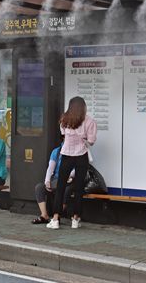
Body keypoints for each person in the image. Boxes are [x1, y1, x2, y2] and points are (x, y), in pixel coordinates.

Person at [47, 96, 97, 230]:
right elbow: (91, 141)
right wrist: (84, 138)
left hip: (67, 155)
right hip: (81, 156)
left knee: (60, 187)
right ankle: (75, 219)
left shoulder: (64, 119)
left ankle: (56, 219)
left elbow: (63, 134)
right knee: (79, 188)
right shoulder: (90, 121)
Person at [32, 143, 77, 224]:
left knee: (66, 190)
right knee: (39, 187)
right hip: (56, 179)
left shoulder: (75, 152)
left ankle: (57, 216)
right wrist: (47, 181)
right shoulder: (56, 152)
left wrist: (70, 175)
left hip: (69, 180)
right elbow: (50, 168)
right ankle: (44, 215)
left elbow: (76, 169)